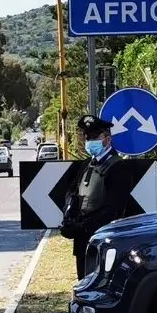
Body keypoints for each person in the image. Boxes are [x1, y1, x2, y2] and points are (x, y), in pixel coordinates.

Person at [59, 115, 128, 279]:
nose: (89, 141)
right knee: (82, 282)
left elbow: (114, 208)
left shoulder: (118, 167)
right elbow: (73, 193)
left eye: (95, 137)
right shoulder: (86, 165)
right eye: (87, 136)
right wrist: (68, 217)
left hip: (104, 241)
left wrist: (82, 227)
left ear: (107, 139)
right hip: (82, 242)